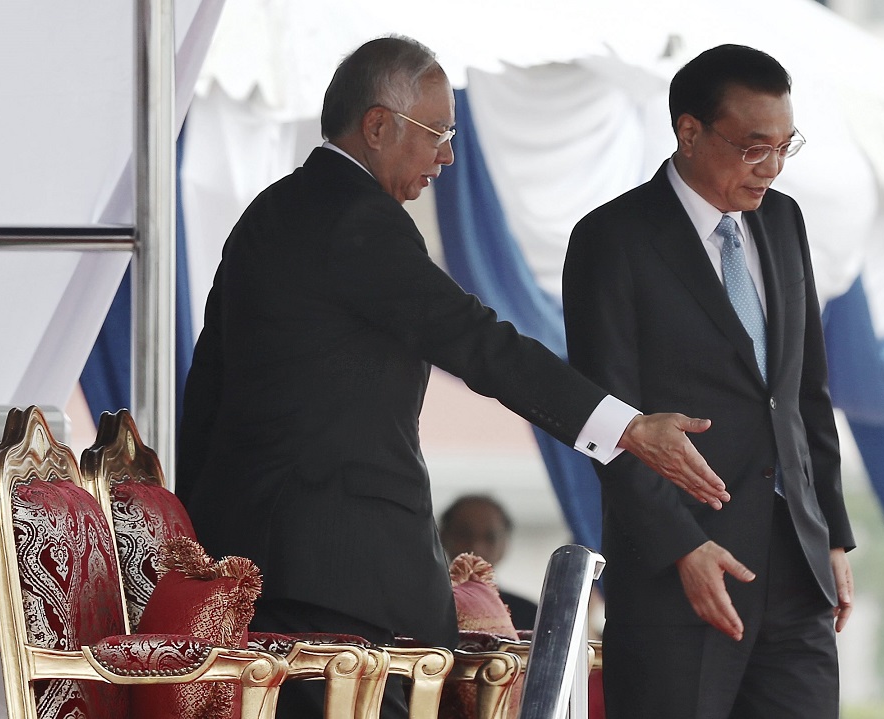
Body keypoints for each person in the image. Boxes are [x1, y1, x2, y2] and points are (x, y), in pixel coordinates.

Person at [176, 35, 728, 719]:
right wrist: (628, 427)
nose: (447, 156)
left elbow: (206, 388)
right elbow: (477, 342)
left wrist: (207, 550)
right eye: (437, 133)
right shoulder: (359, 220)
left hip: (260, 570)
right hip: (341, 585)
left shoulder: (272, 210)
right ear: (378, 126)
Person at [562, 45, 855, 719]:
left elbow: (805, 390)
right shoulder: (613, 239)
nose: (773, 168)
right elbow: (603, 422)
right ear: (688, 132)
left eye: (786, 146)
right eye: (754, 148)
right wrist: (682, 547)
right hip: (680, 577)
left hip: (795, 568)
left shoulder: (783, 221)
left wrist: (832, 533)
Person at [439, 494, 539, 630]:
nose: (476, 546)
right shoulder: (420, 607)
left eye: (489, 537)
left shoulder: (530, 615)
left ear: (505, 543)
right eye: (464, 534)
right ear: (442, 537)